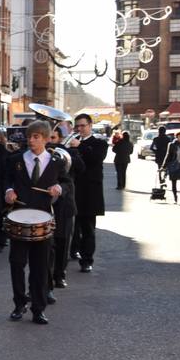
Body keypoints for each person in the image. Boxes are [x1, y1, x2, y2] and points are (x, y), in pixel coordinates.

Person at [4, 121, 63, 325]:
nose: (31, 140)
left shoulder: (56, 161)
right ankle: (19, 304)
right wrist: (8, 191)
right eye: (29, 136)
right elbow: (7, 181)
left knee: (40, 266)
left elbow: (65, 182)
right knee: (17, 263)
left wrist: (58, 189)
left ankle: (38, 308)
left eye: (36, 137)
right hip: (19, 217)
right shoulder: (16, 160)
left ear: (46, 139)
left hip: (43, 220)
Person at [69, 113, 108, 272]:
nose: (79, 129)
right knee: (72, 226)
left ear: (90, 126)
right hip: (73, 190)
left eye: (82, 126)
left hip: (90, 193)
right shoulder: (71, 143)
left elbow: (96, 158)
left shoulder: (99, 143)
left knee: (88, 229)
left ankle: (87, 260)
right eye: (77, 126)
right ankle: (72, 251)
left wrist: (79, 146)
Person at [46, 126, 82, 295]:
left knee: (63, 242)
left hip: (65, 204)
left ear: (60, 138)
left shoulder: (68, 153)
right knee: (48, 245)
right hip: (45, 205)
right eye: (48, 137)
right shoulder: (41, 154)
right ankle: (46, 280)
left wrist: (73, 149)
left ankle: (60, 275)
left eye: (53, 138)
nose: (50, 141)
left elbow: (81, 169)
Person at [163, 131, 180, 204]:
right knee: (174, 182)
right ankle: (175, 198)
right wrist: (163, 166)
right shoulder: (172, 145)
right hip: (174, 166)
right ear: (177, 136)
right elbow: (168, 155)